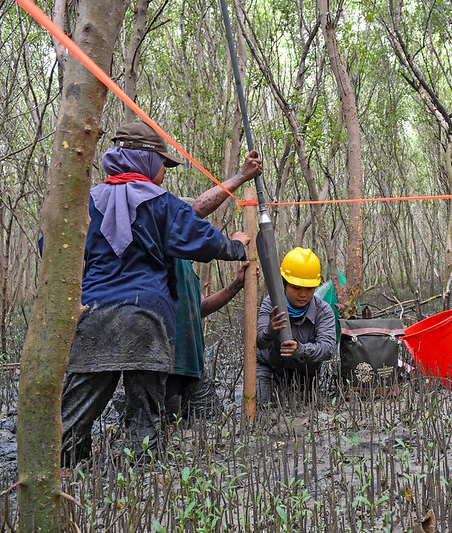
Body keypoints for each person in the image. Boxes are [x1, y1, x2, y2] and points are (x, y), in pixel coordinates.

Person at [61, 119, 250, 465]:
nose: (165, 171)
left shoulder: (84, 204)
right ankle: (138, 473)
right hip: (145, 320)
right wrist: (236, 245)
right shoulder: (162, 203)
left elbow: (54, 252)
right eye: (163, 163)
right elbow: (205, 240)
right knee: (145, 415)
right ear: (147, 162)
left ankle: (64, 470)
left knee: (74, 412)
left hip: (92, 317)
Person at [166, 150, 261, 420]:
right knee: (162, 435)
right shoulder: (161, 257)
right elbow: (194, 209)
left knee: (210, 425)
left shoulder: (185, 264)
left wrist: (235, 286)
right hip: (167, 368)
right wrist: (242, 177)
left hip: (193, 366)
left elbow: (199, 309)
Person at [256, 247, 336, 406]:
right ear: (284, 285)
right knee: (264, 412)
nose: (303, 294)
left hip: (306, 374)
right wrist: (271, 330)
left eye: (309, 288)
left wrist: (301, 350)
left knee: (306, 413)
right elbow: (259, 342)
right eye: (296, 288)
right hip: (270, 369)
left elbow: (327, 349)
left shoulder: (324, 311)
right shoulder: (270, 304)